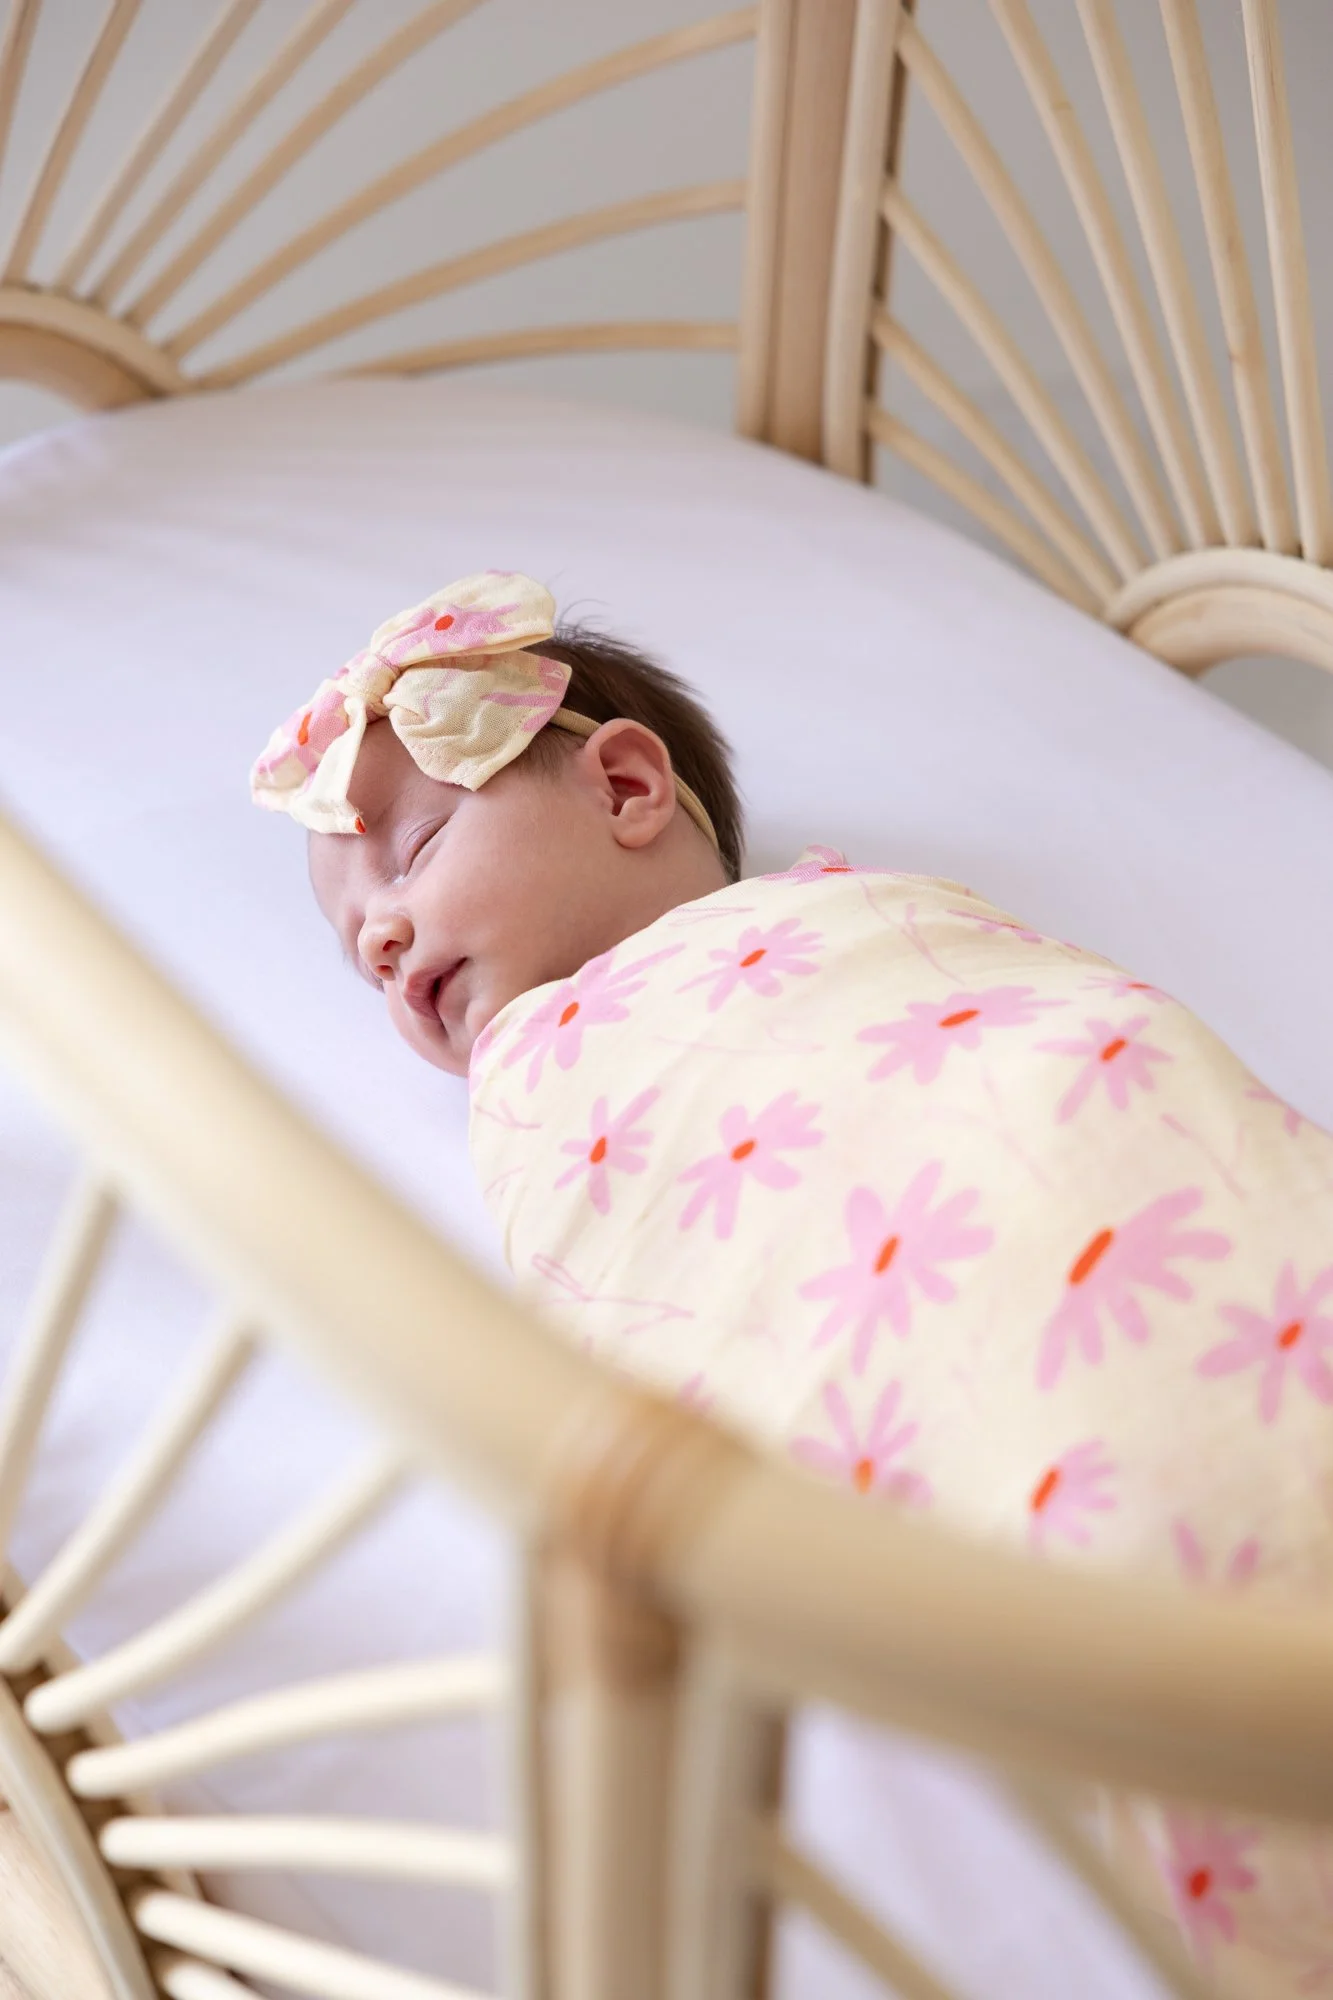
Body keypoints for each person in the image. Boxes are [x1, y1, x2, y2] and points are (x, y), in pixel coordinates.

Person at [255, 569, 1333, 1988]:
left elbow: (1051, 1044)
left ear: (629, 788)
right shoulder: (541, 1096)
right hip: (998, 1415)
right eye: (356, 949)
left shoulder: (866, 926)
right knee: (1128, 1586)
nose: (383, 936)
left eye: (418, 850)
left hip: (1107, 1169)